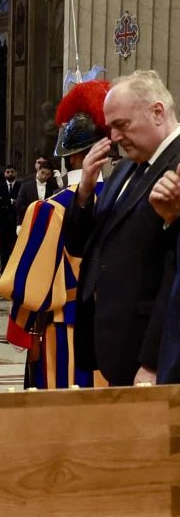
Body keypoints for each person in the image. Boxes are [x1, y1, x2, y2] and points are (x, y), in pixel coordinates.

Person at [65, 70, 180, 386]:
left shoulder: (177, 163)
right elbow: (80, 247)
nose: (113, 137)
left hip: (151, 348)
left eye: (121, 125)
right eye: (110, 126)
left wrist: (153, 361)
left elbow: (173, 275)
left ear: (157, 112)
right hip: (113, 340)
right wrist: (85, 191)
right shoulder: (127, 166)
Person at [0, 79, 110, 390]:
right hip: (114, 324)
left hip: (64, 323)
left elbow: (31, 281)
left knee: (62, 406)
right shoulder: (125, 199)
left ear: (70, 157)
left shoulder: (51, 208)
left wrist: (19, 327)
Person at [0, 166, 21, 269]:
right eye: (7, 172)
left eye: (12, 172)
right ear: (4, 174)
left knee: (16, 248)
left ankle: (14, 271)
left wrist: (7, 202)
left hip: (16, 221)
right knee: (4, 250)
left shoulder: (20, 186)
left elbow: (20, 201)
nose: (10, 174)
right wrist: (10, 201)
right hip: (3, 221)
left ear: (16, 173)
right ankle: (4, 271)